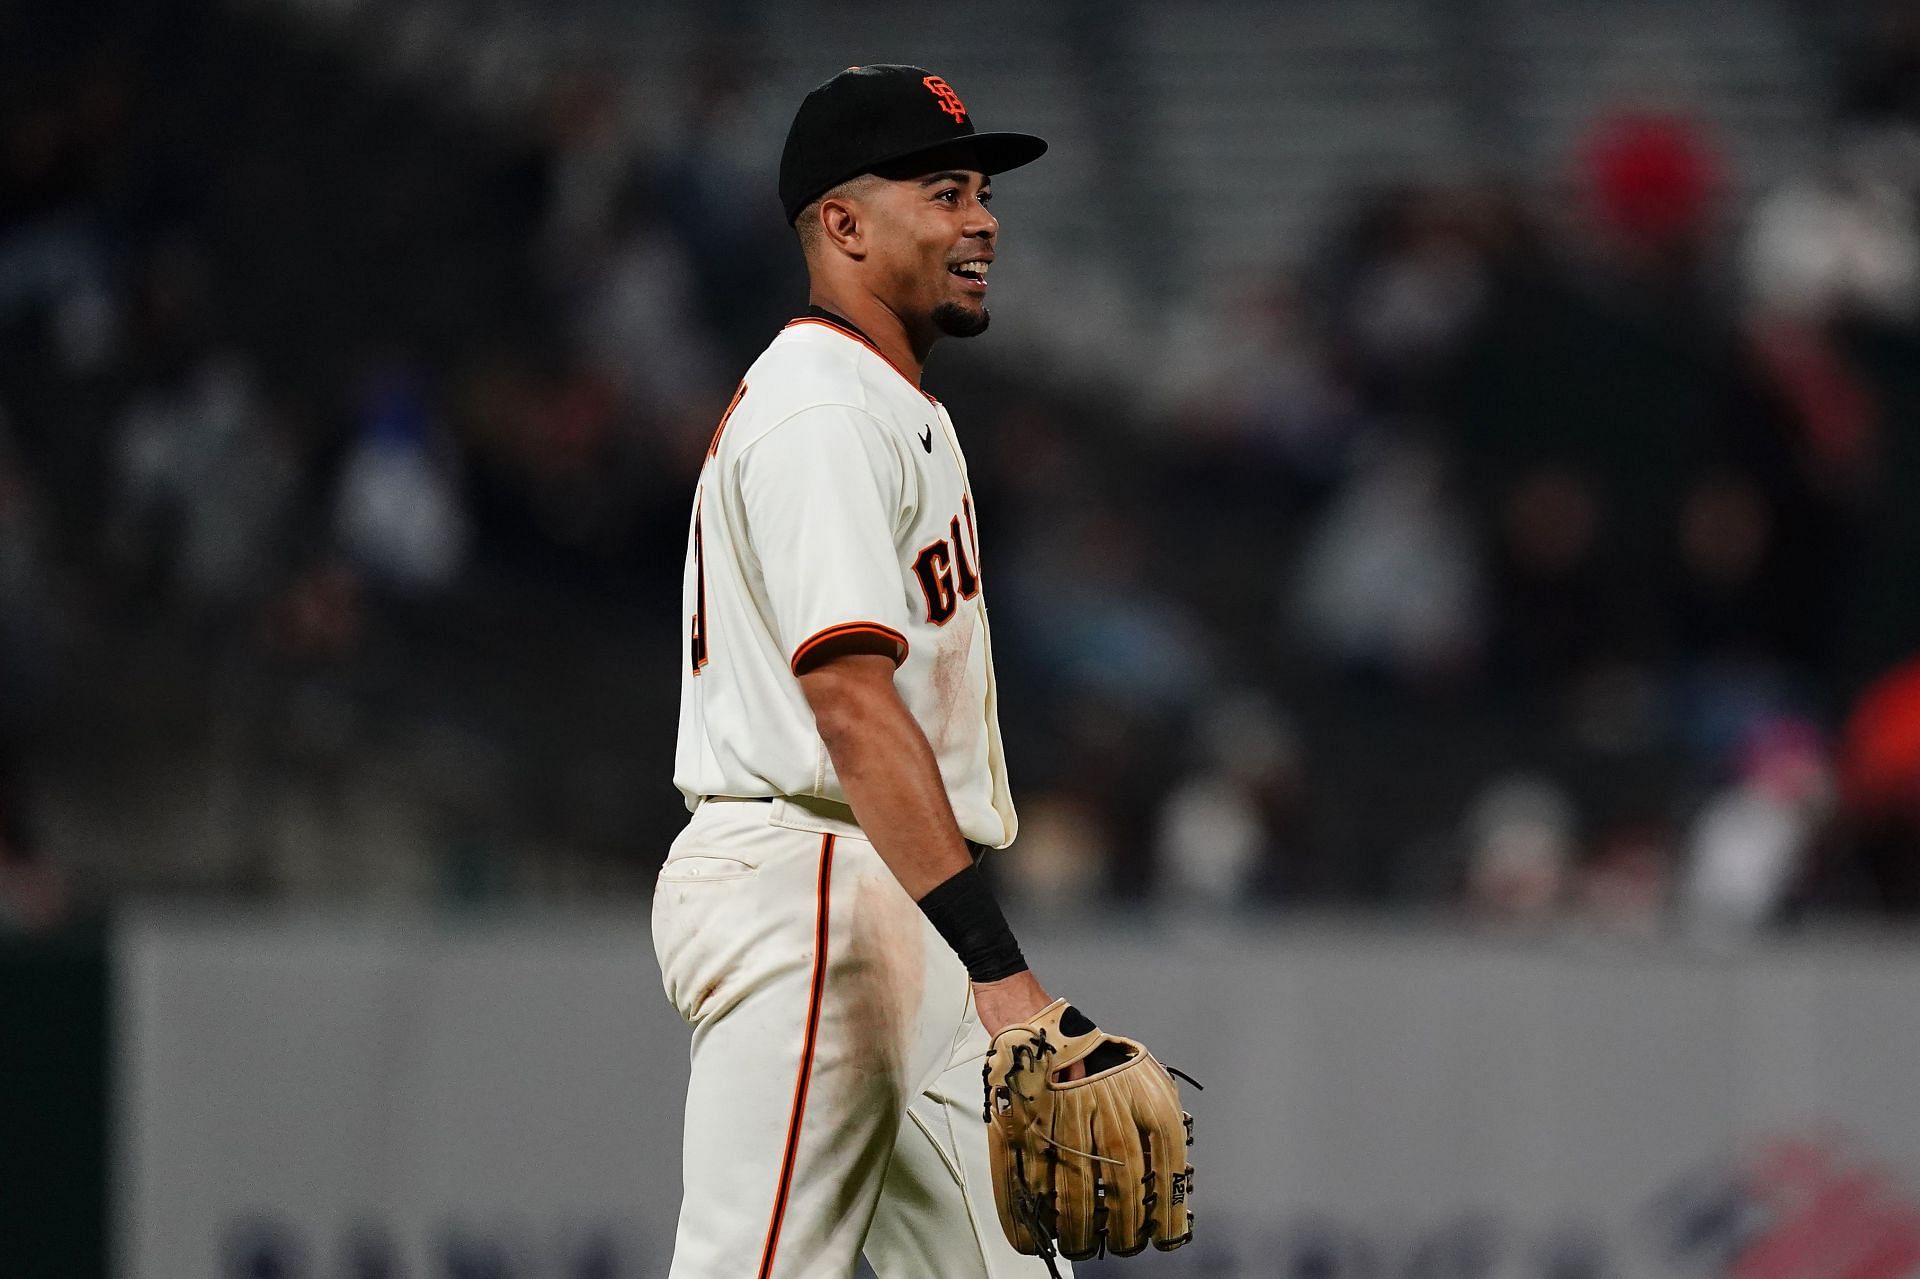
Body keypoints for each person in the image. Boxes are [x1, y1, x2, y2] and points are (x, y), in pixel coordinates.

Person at [654, 65, 1070, 1275]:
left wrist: (971, 957)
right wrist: (1003, 969)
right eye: (943, 191)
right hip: (815, 883)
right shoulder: (822, 411)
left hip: (895, 892)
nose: (982, 219)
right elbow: (847, 701)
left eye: (982, 192)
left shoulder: (882, 402)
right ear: (843, 224)